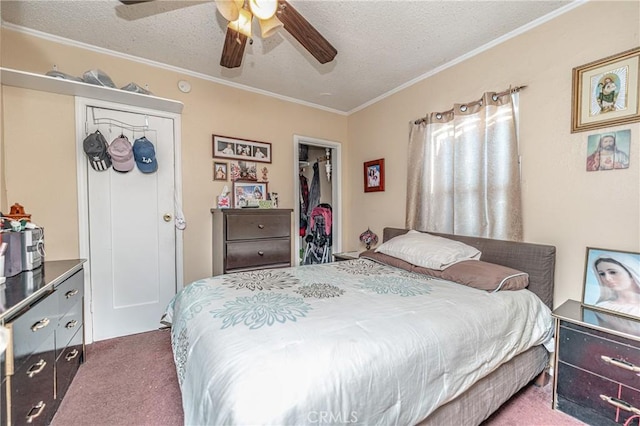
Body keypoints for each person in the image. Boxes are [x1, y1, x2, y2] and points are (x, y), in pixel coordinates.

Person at [593, 253, 640, 317]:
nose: (607, 278)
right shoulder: (602, 306)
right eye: (602, 274)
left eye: (613, 272)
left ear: (631, 274)